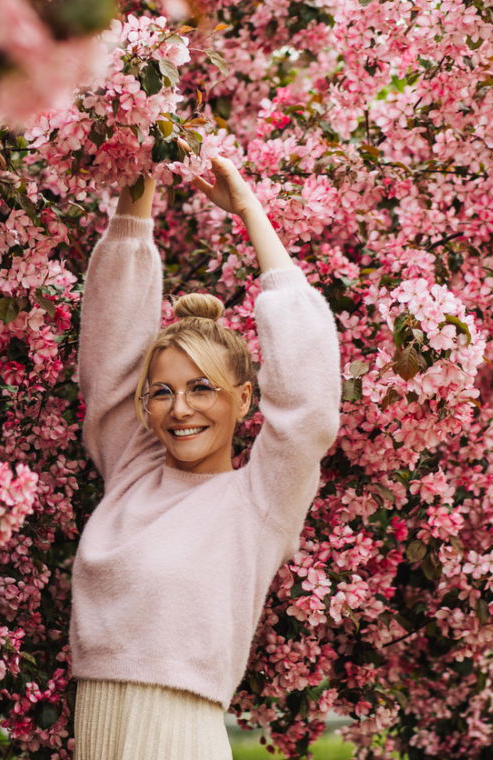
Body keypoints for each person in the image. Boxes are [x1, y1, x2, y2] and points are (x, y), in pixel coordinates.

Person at [70, 160, 341, 759]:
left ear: (242, 399)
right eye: (162, 392)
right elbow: (110, 350)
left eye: (202, 388)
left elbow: (310, 407)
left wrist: (250, 211)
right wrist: (139, 180)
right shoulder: (133, 470)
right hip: (97, 735)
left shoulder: (260, 501)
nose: (180, 409)